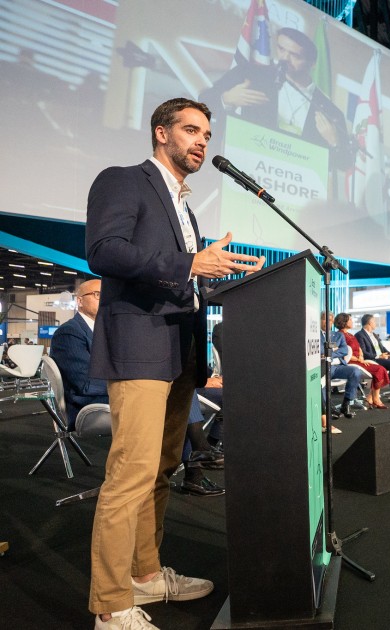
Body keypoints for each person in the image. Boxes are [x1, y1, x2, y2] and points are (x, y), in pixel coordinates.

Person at [85, 98, 264, 628]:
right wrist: (191, 262)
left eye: (206, 133)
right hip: (140, 345)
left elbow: (181, 278)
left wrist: (224, 277)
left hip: (179, 350)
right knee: (130, 473)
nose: (202, 141)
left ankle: (143, 572)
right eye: (190, 130)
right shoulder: (123, 180)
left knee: (161, 470)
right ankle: (111, 603)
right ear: (161, 133)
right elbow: (105, 251)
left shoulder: (184, 206)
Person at [199, 27, 355, 172]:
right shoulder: (251, 75)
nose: (285, 58)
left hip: (294, 187)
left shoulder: (329, 111)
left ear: (312, 63)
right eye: (281, 49)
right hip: (246, 172)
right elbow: (203, 102)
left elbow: (344, 165)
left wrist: (335, 144)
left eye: (295, 55)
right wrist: (226, 99)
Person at [49, 279, 108, 430]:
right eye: (98, 294)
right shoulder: (69, 332)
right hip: (87, 405)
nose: (105, 299)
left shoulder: (106, 331)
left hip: (105, 396)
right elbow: (85, 384)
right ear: (80, 301)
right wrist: (124, 385)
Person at [334, 313, 390, 407]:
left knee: (380, 369)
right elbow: (342, 353)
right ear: (344, 322)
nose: (352, 321)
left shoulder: (350, 334)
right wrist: (358, 359)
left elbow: (359, 348)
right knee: (380, 369)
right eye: (350, 320)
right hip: (351, 362)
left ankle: (372, 397)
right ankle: (375, 398)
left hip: (359, 360)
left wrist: (361, 357)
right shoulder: (340, 335)